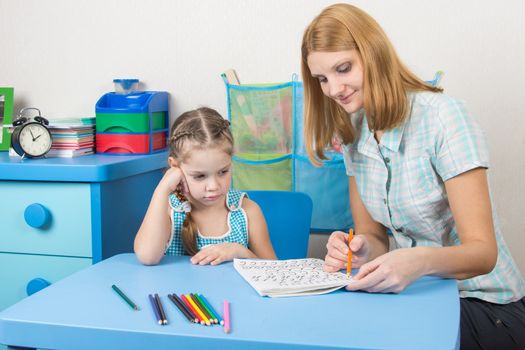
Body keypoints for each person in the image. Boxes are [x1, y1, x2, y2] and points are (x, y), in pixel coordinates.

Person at [301, 3, 525, 349]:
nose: (333, 89)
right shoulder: (353, 134)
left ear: (373, 54)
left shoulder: (443, 117)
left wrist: (417, 262)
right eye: (322, 79)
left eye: (343, 69)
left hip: (487, 304)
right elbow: (372, 236)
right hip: (420, 296)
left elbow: (483, 254)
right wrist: (359, 252)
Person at [134, 107, 277, 266]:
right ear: (175, 167)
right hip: (181, 291)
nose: (214, 186)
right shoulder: (169, 210)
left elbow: (274, 270)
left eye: (223, 171)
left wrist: (240, 251)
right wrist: (162, 189)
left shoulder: (247, 211)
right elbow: (147, 257)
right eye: (200, 176)